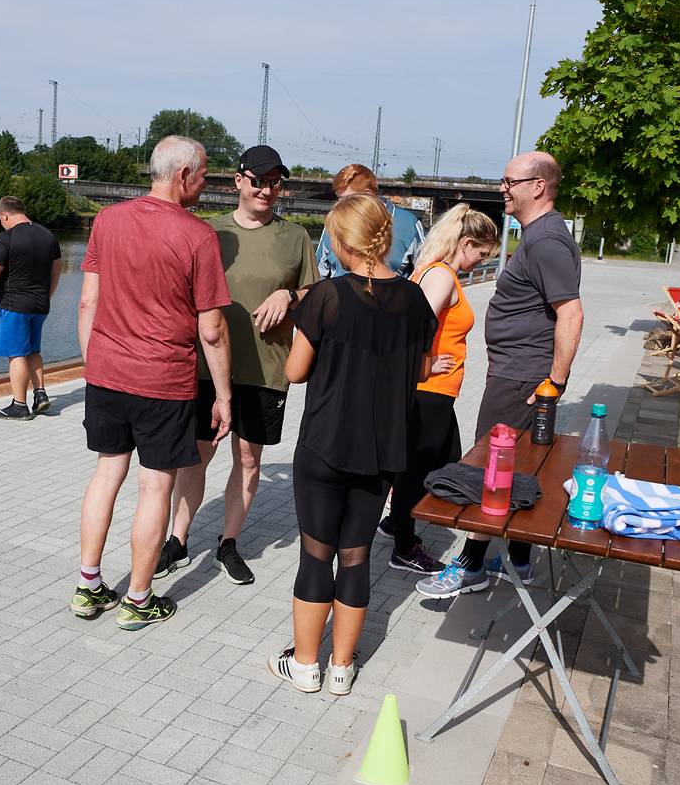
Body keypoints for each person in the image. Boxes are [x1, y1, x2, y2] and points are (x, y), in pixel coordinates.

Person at [269, 193, 437, 695]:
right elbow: (423, 370)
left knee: (316, 556)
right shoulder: (414, 300)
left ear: (342, 242)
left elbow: (295, 371)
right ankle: (342, 667)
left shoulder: (327, 296)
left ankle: (305, 664)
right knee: (356, 556)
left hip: (324, 444)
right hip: (383, 451)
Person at [71, 135, 234, 631]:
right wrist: (224, 396)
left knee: (106, 473)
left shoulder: (107, 221)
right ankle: (139, 599)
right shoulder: (198, 237)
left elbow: (87, 302)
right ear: (183, 175)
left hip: (107, 374)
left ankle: (88, 586)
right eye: (203, 176)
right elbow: (212, 329)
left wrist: (96, 364)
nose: (205, 186)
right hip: (163, 380)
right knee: (155, 484)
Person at [417, 151, 584, 600]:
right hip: (519, 374)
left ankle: (470, 566)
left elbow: (570, 312)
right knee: (518, 466)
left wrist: (555, 381)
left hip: (520, 378)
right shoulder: (540, 236)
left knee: (487, 468)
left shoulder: (545, 241)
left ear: (538, 186)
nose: (502, 189)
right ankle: (520, 560)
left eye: (510, 182)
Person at [161, 145, 318, 586]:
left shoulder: (295, 237)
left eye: (275, 183)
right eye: (258, 181)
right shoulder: (208, 232)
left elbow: (314, 294)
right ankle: (177, 539)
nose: (266, 190)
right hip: (207, 368)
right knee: (196, 455)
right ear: (238, 181)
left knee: (249, 459)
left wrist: (289, 295)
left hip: (266, 369)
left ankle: (228, 543)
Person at [378, 204, 500, 574]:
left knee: (444, 461)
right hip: (429, 392)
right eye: (482, 254)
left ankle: (396, 522)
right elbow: (412, 328)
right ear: (466, 243)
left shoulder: (435, 272)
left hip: (437, 393)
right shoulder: (442, 276)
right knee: (419, 471)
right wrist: (425, 367)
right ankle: (404, 546)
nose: (481, 263)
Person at [0, 196, 62, 420]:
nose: (1, 223)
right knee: (33, 350)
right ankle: (40, 394)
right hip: (40, 305)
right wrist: (46, 297)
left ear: (5, 214)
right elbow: (56, 270)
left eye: (0, 219)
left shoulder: (6, 238)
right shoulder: (48, 236)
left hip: (14, 305)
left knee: (16, 353)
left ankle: (19, 406)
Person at [315, 164, 426, 280]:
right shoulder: (335, 222)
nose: (339, 204)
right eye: (338, 198)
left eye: (346, 199)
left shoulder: (408, 224)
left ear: (368, 194)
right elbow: (318, 272)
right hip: (337, 291)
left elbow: (424, 272)